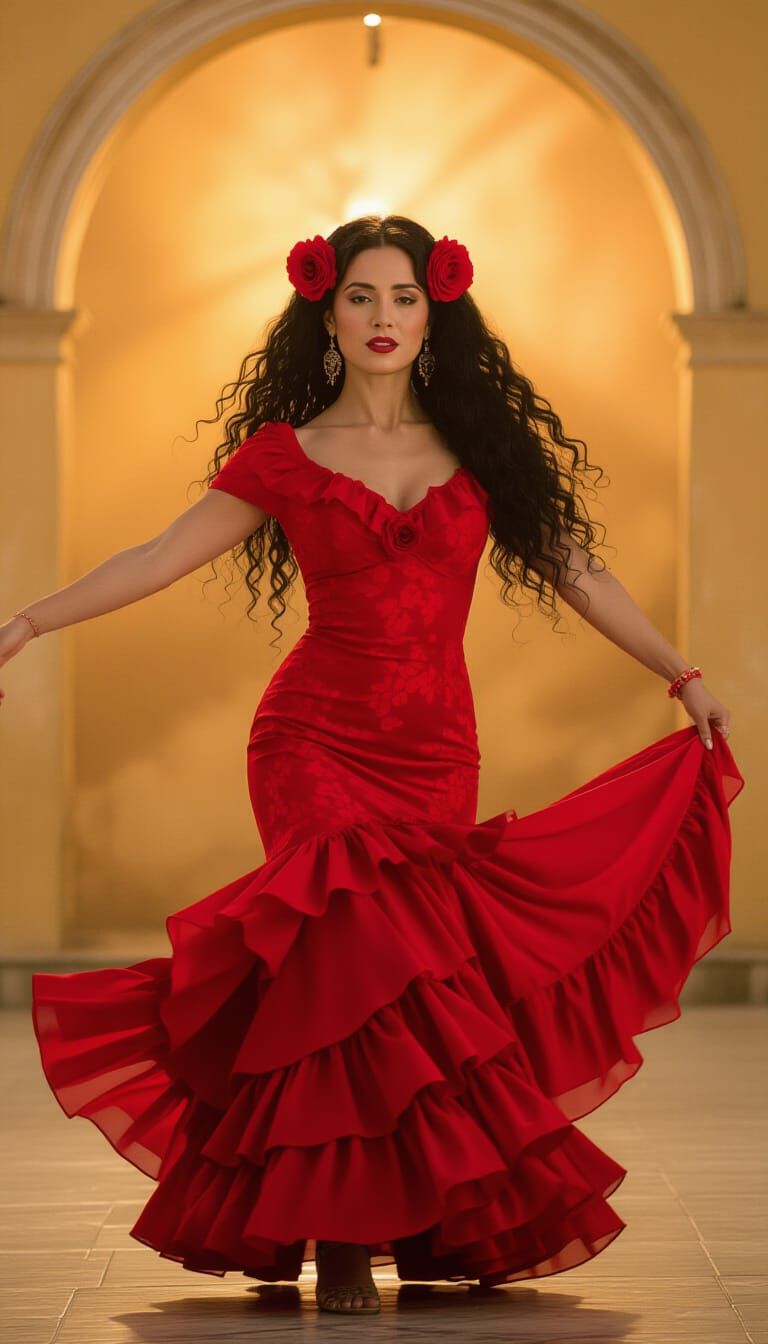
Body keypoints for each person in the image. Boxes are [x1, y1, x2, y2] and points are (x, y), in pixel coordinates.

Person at [1, 216, 743, 1318]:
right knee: (340, 961)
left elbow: (577, 570)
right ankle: (339, 1240)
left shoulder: (480, 451)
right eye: (361, 297)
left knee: (406, 989)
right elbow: (159, 555)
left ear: (434, 309)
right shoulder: (286, 456)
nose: (383, 316)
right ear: (327, 313)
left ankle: (412, 1215)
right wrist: (29, 618)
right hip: (310, 741)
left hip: (435, 747)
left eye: (401, 296)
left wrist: (682, 676)